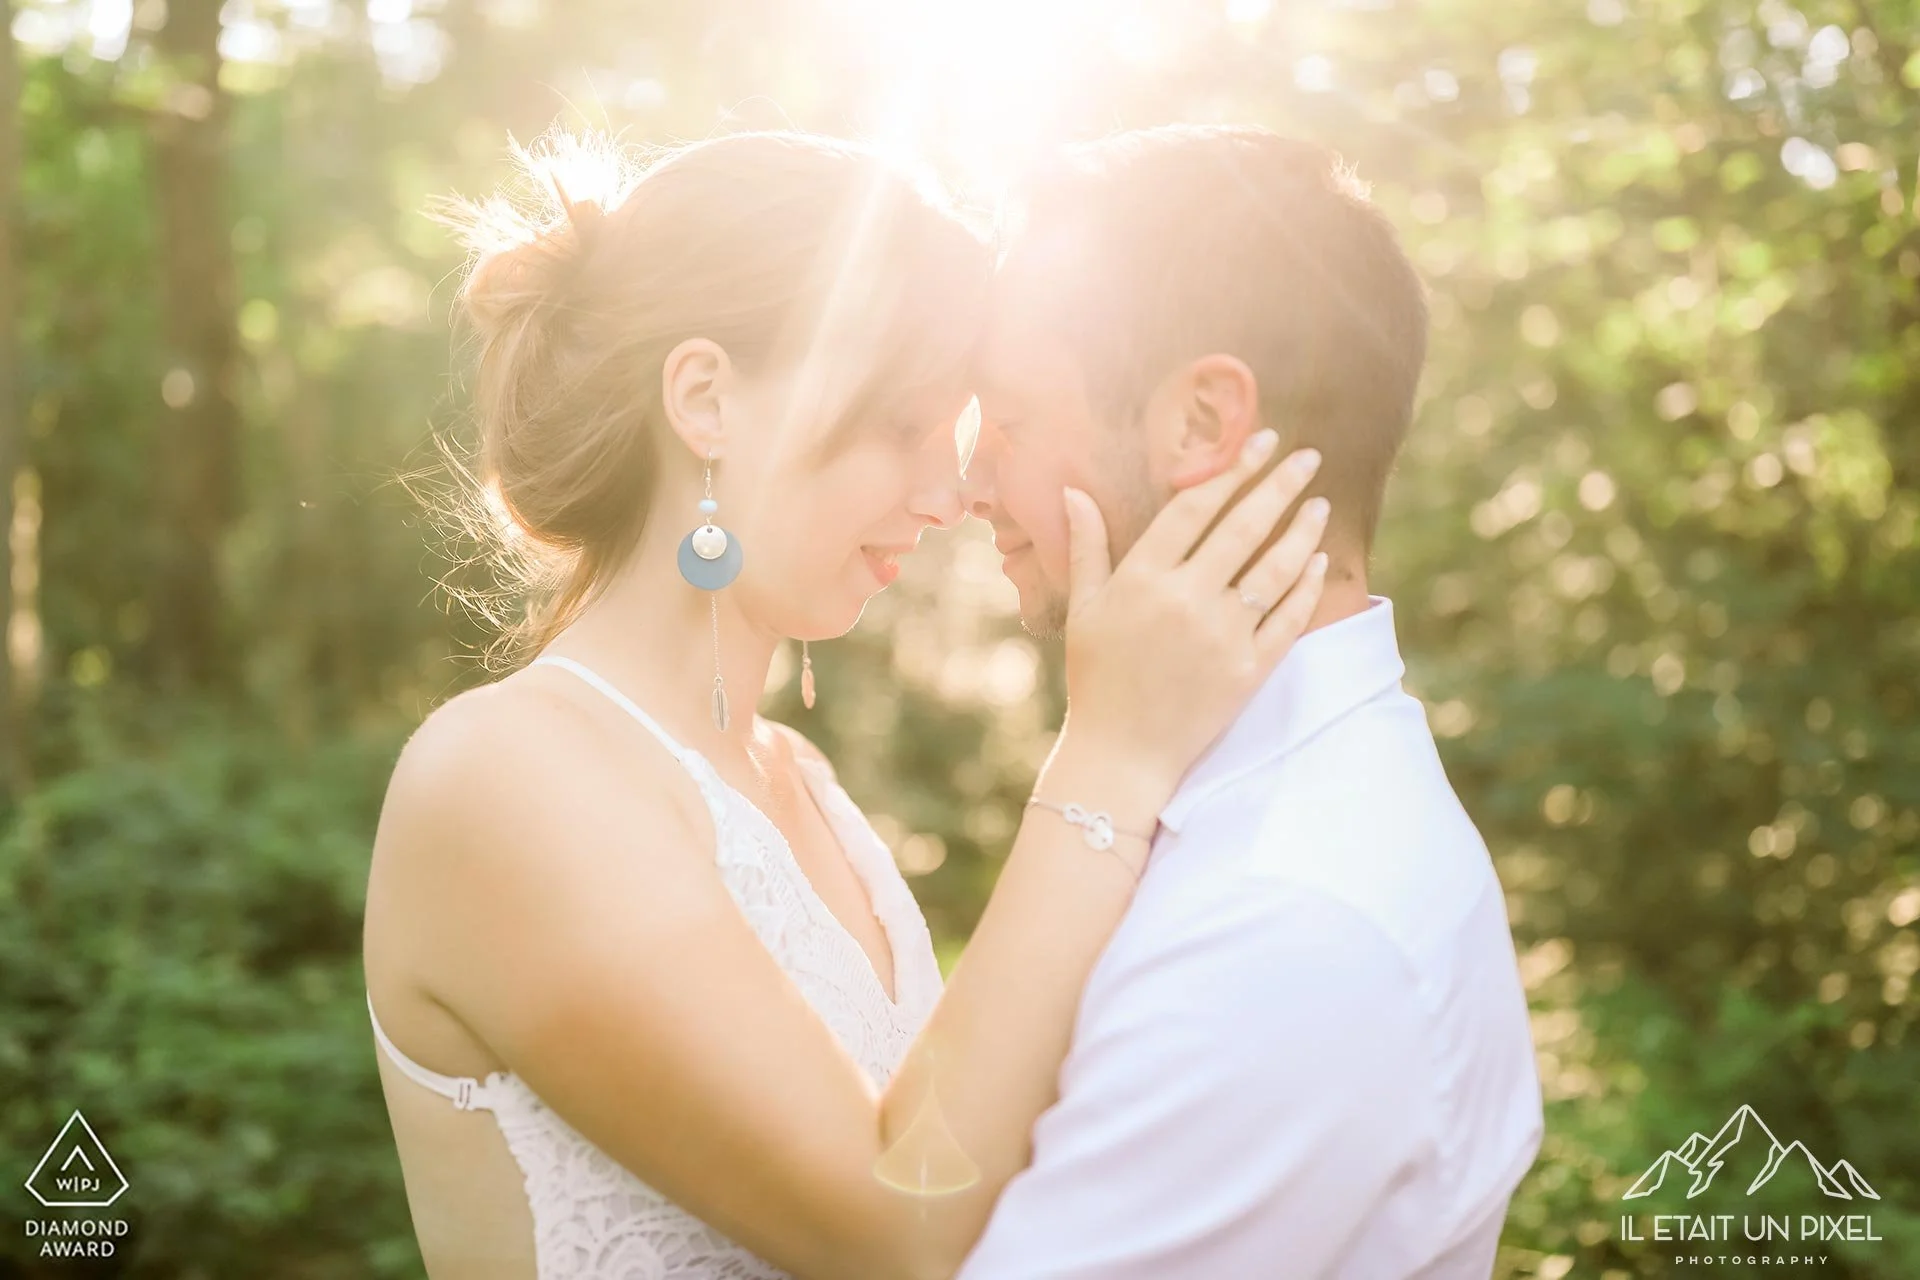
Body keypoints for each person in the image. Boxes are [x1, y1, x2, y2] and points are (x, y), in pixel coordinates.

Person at [363, 127, 1331, 1280]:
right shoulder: (503, 778)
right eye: (903, 426)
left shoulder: (805, 786)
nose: (950, 493)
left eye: (962, 436)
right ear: (708, 398)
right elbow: (897, 1223)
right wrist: (1110, 753)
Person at [952, 124, 1545, 1278]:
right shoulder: (1240, 810)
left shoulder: (1288, 923)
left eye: (1010, 420)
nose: (971, 485)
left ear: (1201, 424)